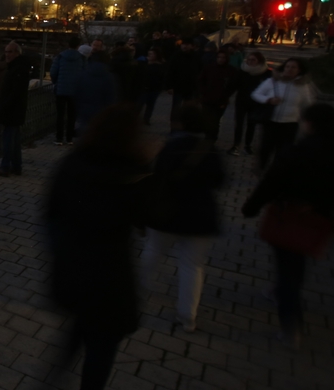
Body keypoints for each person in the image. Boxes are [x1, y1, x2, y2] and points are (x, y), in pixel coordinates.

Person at [47, 104, 147, 390]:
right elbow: (154, 218)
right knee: (102, 347)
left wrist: (58, 253)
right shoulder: (134, 174)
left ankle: (53, 377)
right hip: (111, 276)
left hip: (74, 268)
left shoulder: (72, 163)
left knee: (80, 324)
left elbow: (50, 212)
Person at [242, 103, 334, 348]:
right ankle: (278, 291)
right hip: (320, 218)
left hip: (290, 215)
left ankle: (290, 325)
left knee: (288, 267)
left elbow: (271, 181)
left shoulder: (297, 151)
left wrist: (250, 207)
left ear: (310, 123)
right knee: (299, 260)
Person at [140, 103, 224, 332]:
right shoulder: (209, 149)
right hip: (200, 216)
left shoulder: (171, 147)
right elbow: (219, 180)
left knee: (152, 253)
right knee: (192, 266)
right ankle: (187, 316)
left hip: (167, 213)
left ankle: (135, 290)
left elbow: (156, 179)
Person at [251, 58, 316, 169]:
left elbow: (308, 104)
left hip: (290, 123)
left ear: (299, 70)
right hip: (271, 121)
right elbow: (256, 94)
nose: (289, 69)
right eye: (287, 66)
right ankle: (260, 168)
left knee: (283, 150)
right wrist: (269, 99)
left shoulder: (303, 86)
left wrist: (308, 119)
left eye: (293, 67)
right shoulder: (273, 81)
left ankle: (276, 170)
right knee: (265, 148)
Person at [0, 41, 31, 176]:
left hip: (12, 110)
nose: (7, 54)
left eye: (10, 52)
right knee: (14, 140)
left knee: (8, 140)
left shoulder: (17, 69)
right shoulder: (17, 67)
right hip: (15, 109)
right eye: (6, 51)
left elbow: (14, 92)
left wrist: (4, 107)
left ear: (17, 53)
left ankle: (5, 166)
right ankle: (16, 166)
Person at [230, 51, 271, 156]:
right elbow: (234, 85)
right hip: (241, 101)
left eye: (253, 60)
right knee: (238, 124)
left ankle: (248, 145)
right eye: (248, 59)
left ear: (259, 61)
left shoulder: (266, 73)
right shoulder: (242, 71)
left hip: (256, 103)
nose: (250, 62)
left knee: (251, 124)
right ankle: (236, 145)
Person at [197, 50, 238, 144]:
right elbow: (201, 81)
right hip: (207, 98)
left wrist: (226, 96)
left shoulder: (231, 70)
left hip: (221, 100)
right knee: (207, 118)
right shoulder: (209, 68)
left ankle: (211, 139)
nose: (221, 59)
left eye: (223, 57)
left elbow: (233, 86)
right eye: (219, 57)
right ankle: (208, 136)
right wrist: (203, 93)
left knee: (216, 120)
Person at [49, 36, 85, 146]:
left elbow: (53, 72)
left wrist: (57, 82)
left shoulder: (60, 57)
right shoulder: (82, 58)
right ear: (78, 46)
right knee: (72, 115)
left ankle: (59, 138)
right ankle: (69, 138)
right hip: (75, 91)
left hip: (61, 90)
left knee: (60, 114)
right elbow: (85, 74)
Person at [75, 50, 117, 135]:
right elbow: (111, 98)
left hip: (85, 112)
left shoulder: (83, 74)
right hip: (102, 114)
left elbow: (76, 94)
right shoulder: (109, 77)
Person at [167, 38, 201, 111]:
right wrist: (169, 86)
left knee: (188, 108)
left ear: (192, 46)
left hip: (191, 87)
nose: (184, 46)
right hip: (178, 86)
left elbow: (200, 71)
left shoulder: (196, 57)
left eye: (187, 45)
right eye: (183, 44)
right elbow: (170, 71)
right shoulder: (176, 56)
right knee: (176, 107)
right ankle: (175, 121)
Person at [137, 47, 166, 125]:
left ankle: (146, 119)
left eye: (151, 54)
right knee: (140, 104)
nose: (149, 55)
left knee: (150, 105)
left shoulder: (160, 66)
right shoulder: (144, 64)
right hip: (145, 88)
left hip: (154, 89)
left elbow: (162, 77)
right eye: (149, 54)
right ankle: (136, 119)